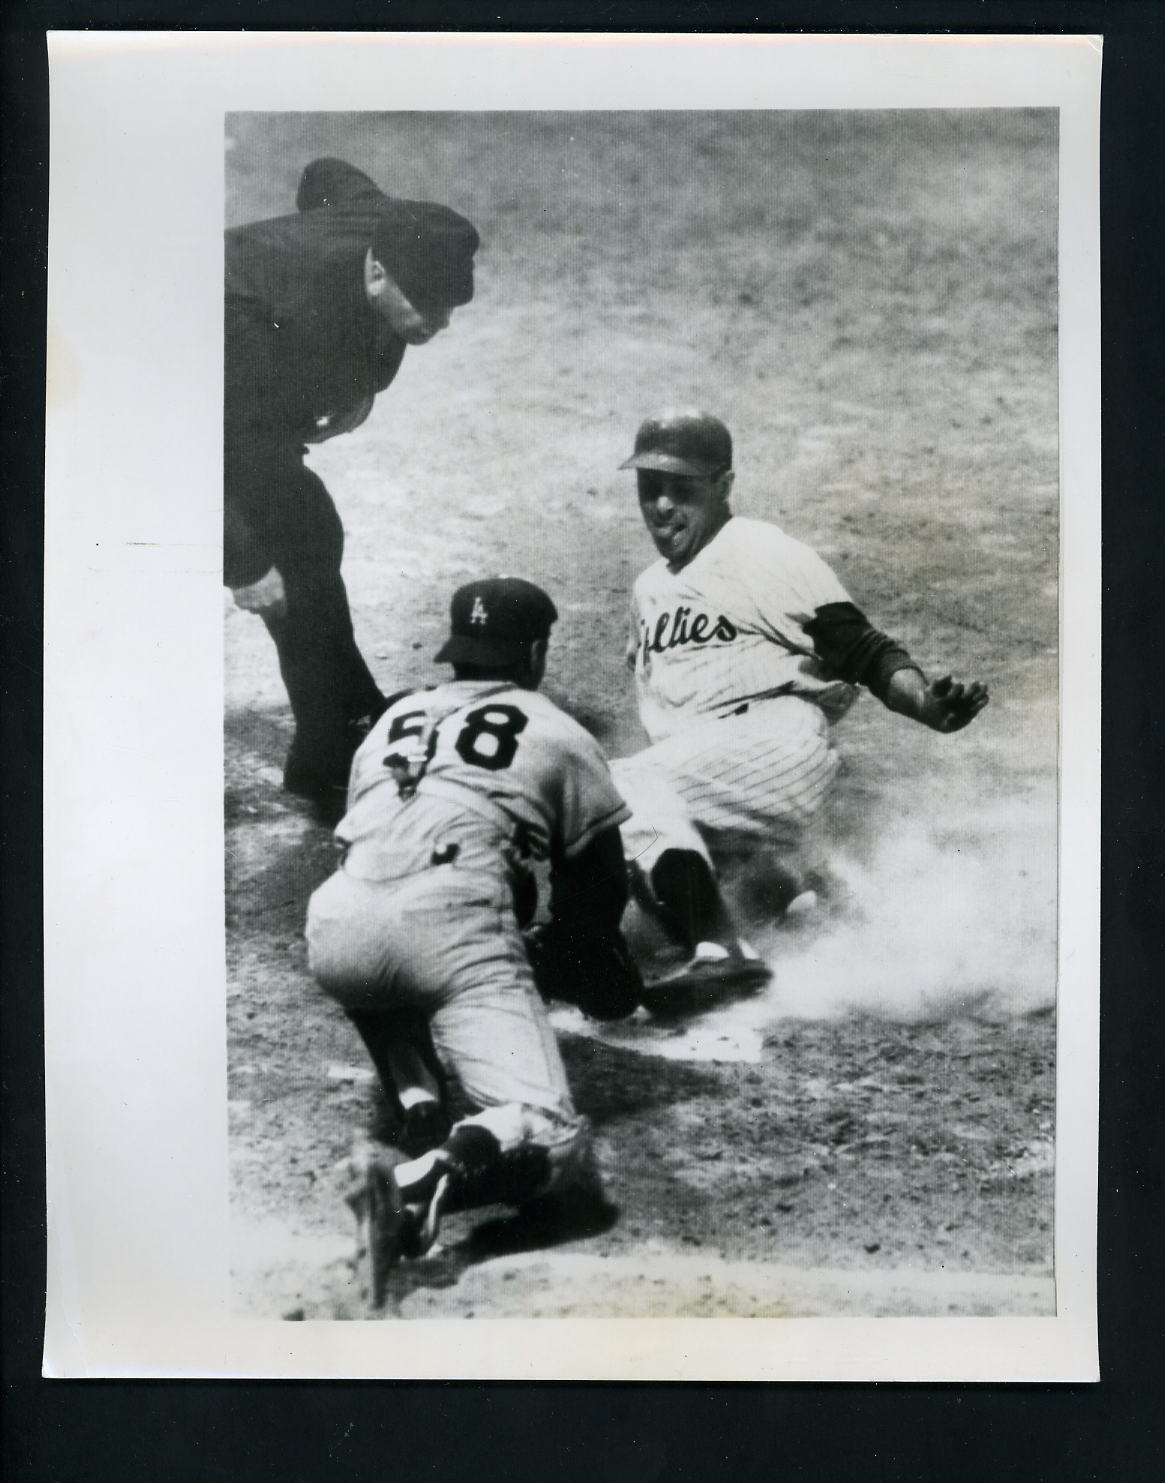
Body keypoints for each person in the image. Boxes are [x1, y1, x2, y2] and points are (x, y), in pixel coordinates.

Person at [306, 577, 642, 1306]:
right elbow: (594, 899)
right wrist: (584, 966)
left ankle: (421, 1105)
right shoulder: (555, 728)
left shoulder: (391, 724)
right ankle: (422, 1178)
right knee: (554, 1137)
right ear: (534, 651)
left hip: (335, 928)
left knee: (378, 935)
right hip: (452, 929)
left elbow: (366, 848)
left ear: (457, 651)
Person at [611, 409, 990, 998]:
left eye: (680, 489)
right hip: (711, 777)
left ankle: (727, 949)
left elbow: (859, 646)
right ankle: (794, 892)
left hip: (773, 740)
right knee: (634, 930)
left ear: (723, 485)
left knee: (611, 789)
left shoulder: (761, 550)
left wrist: (925, 705)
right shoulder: (647, 589)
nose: (661, 505)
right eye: (649, 488)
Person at [225, 158, 480, 811]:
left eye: (447, 306)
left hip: (249, 409)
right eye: (422, 305)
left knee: (313, 538)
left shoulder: (390, 226)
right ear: (375, 271)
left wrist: (359, 384)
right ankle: (323, 755)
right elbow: (211, 446)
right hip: (174, 384)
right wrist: (243, 564)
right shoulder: (259, 325)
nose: (436, 322)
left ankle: (348, 713)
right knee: (286, 570)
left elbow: (324, 173)